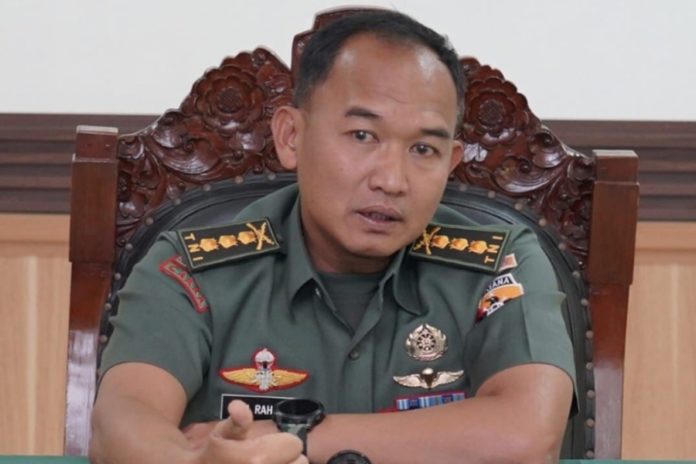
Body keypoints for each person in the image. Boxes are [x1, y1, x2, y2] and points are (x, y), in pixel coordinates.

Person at [90, 9, 575, 464]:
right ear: (291, 137)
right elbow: (123, 419)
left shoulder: (500, 264)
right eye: (362, 136)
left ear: (450, 164)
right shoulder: (192, 269)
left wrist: (292, 437)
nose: (392, 180)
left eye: (423, 149)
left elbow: (528, 436)